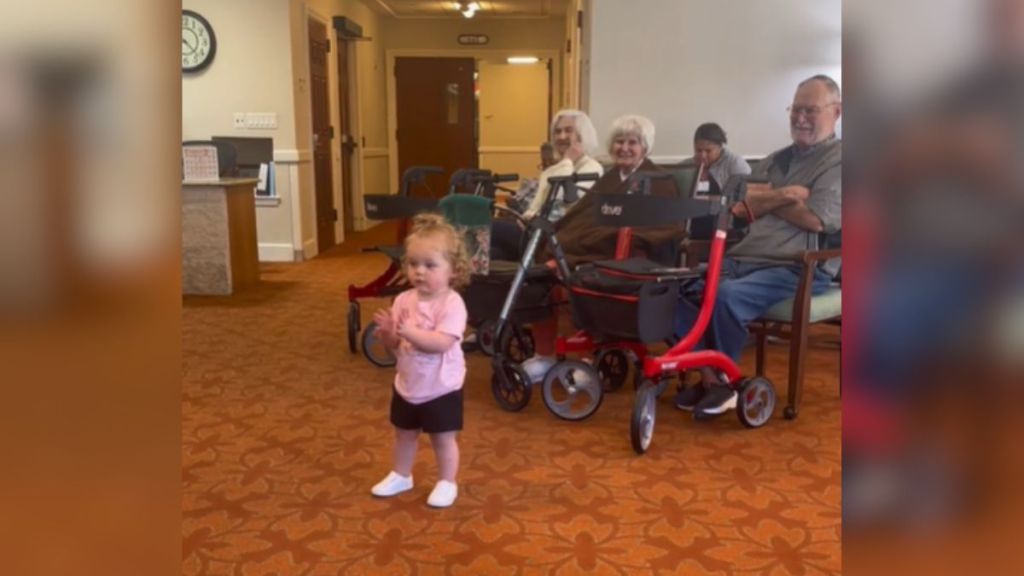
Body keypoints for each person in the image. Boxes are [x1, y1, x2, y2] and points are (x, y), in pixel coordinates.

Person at [674, 75, 843, 416]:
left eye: (810, 110)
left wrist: (763, 199)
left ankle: (725, 384)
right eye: (795, 109)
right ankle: (711, 376)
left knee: (725, 298)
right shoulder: (774, 160)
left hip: (798, 265)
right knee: (671, 290)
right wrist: (786, 195)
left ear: (836, 112)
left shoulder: (841, 160)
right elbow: (738, 207)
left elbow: (818, 220)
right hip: (746, 256)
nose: (800, 118)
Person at [521, 114, 685, 382]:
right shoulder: (610, 178)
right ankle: (544, 356)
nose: (624, 148)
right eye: (619, 142)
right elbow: (581, 216)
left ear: (645, 147)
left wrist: (601, 236)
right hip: (600, 245)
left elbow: (663, 226)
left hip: (633, 255)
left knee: (578, 276)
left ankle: (588, 359)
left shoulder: (659, 178)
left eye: (632, 142)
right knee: (539, 277)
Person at [370, 213, 472, 508]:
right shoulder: (403, 300)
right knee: (404, 433)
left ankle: (446, 481)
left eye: (430, 265)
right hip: (408, 383)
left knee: (442, 438)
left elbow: (441, 344)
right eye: (413, 264)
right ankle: (402, 474)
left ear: (453, 270)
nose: (420, 272)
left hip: (442, 386)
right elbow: (395, 350)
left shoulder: (452, 303)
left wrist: (408, 331)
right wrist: (389, 335)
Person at [490, 109, 603, 260]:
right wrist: (526, 218)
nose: (561, 136)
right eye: (557, 131)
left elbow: (562, 201)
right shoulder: (551, 170)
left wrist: (568, 161)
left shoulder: (593, 168)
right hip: (533, 231)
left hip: (557, 237)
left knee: (485, 227)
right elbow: (535, 207)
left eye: (568, 131)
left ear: (582, 135)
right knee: (491, 253)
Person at [692, 122, 751, 193]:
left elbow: (746, 194)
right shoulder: (688, 167)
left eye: (708, 151)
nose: (702, 155)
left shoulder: (735, 163)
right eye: (698, 150)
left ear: (719, 148)